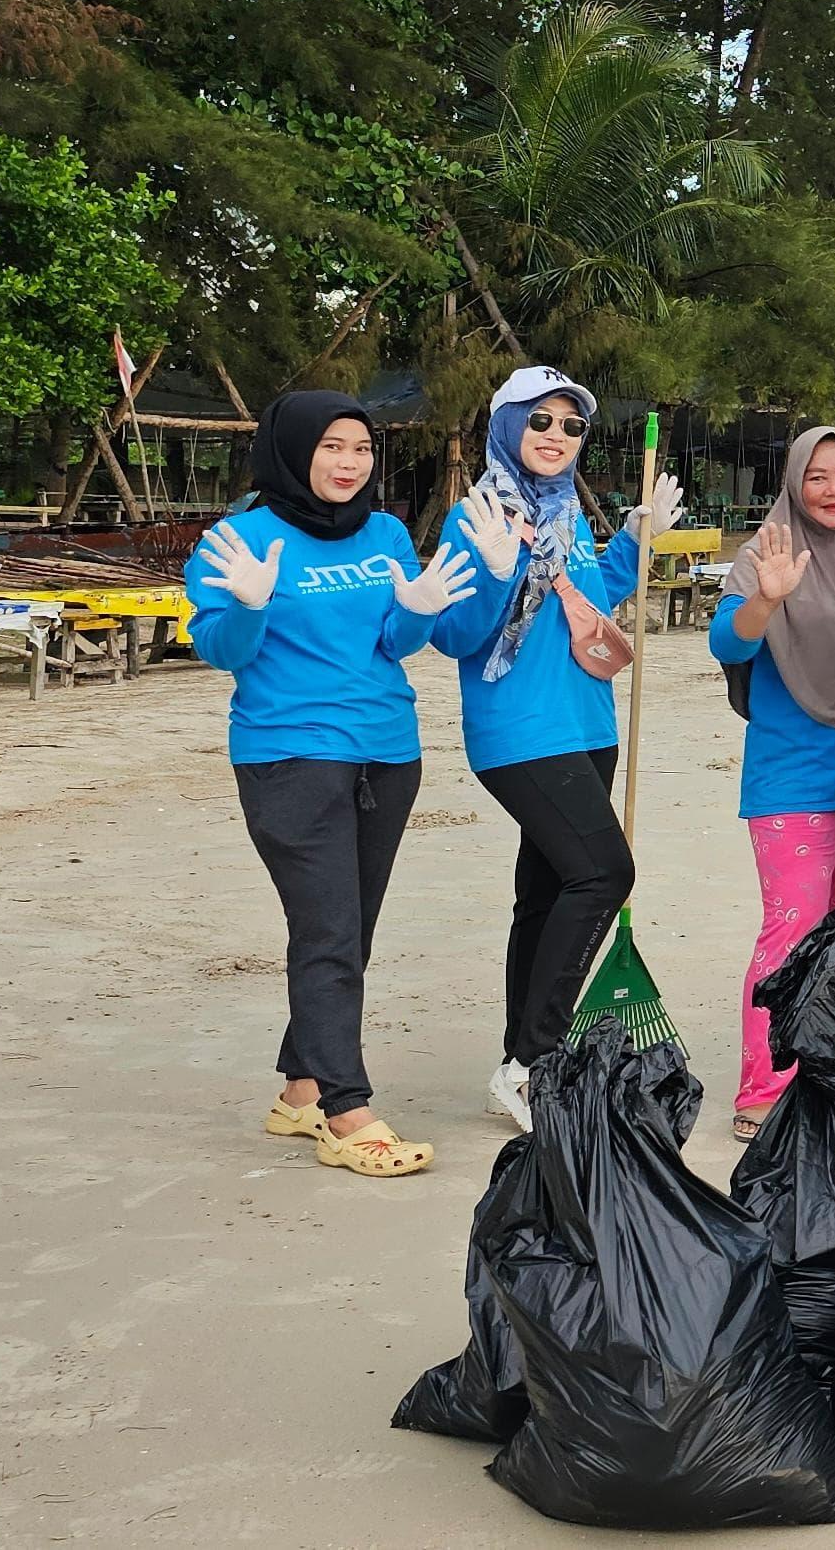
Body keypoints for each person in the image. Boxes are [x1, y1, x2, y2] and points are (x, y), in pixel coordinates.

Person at [187, 391, 479, 1177]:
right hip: (289, 755)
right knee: (328, 933)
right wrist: (247, 606)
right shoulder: (238, 540)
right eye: (331, 447)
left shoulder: (384, 533)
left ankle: (300, 1086)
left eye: (361, 449)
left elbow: (394, 641)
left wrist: (418, 611)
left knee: (351, 929)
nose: (349, 463)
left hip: (388, 750)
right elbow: (221, 650)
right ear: (292, 450)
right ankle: (344, 1112)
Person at [433, 363, 682, 1132]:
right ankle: (536, 1060)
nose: (556, 435)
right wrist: (493, 574)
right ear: (509, 426)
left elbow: (590, 600)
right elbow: (453, 636)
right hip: (520, 732)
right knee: (604, 872)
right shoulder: (477, 517)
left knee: (545, 895)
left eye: (572, 425)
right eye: (540, 420)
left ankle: (520, 1057)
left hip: (588, 726)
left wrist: (634, 544)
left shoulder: (565, 514)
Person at [711, 424, 835, 1142]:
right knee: (791, 934)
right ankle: (766, 1086)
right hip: (793, 777)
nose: (834, 489)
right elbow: (726, 640)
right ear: (795, 483)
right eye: (816, 476)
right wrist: (766, 599)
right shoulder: (767, 550)